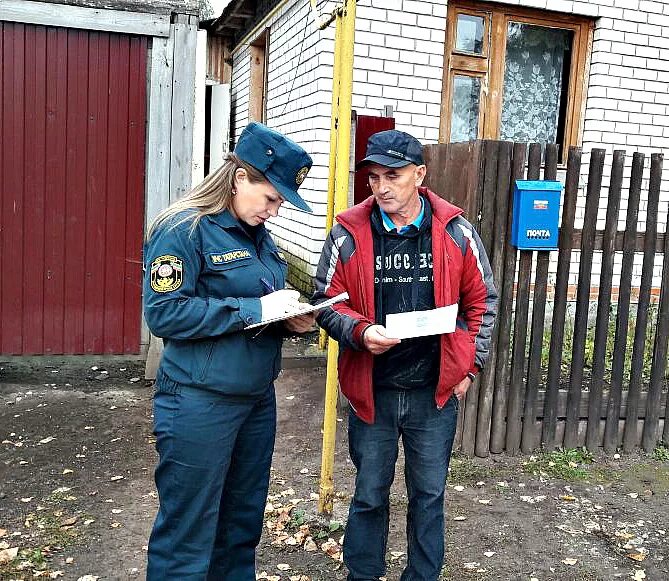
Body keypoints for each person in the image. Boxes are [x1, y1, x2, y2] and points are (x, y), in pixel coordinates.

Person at [313, 129, 497, 581]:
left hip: (431, 394)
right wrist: (359, 331)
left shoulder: (455, 230)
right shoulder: (347, 232)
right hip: (371, 390)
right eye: (373, 177)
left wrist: (470, 366)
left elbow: (483, 302)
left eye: (391, 175)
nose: (380, 187)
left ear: (419, 175)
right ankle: (363, 574)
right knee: (370, 493)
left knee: (429, 495)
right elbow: (326, 300)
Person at [143, 122, 316, 580]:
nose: (275, 211)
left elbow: (258, 310)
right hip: (200, 402)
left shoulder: (257, 234)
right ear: (241, 178)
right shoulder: (184, 230)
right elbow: (164, 314)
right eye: (271, 198)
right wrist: (251, 308)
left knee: (240, 529)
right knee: (187, 536)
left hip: (256, 399)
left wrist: (287, 321)